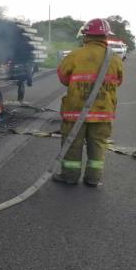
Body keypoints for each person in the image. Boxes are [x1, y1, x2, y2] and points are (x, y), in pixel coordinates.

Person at [53, 18, 123, 187]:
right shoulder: (115, 59)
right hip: (102, 112)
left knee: (72, 145)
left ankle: (69, 177)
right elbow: (118, 82)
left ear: (86, 35)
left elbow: (63, 78)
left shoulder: (75, 55)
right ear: (106, 36)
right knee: (98, 147)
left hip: (75, 111)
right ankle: (93, 179)